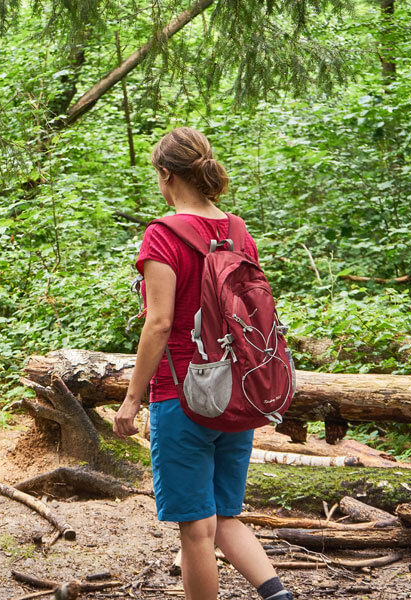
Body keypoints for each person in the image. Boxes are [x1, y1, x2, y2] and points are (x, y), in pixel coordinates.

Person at [113, 127, 293, 600]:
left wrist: (131, 401)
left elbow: (159, 324)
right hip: (239, 390)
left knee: (196, 530)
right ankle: (279, 595)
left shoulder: (162, 236)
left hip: (183, 397)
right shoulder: (237, 230)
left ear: (166, 175)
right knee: (226, 515)